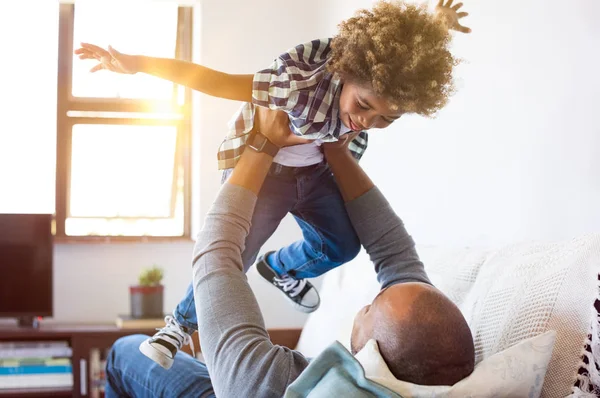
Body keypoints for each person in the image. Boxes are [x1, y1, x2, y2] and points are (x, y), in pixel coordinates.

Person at [75, 0, 471, 369]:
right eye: (364, 106)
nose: (368, 122)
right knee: (235, 256)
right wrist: (138, 64)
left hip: (315, 174)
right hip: (268, 172)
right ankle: (178, 326)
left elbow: (400, 53)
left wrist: (435, 25)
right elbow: (212, 80)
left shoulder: (380, 84)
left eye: (387, 118)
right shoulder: (295, 85)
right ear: (345, 74)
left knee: (343, 245)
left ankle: (281, 268)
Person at [105, 107, 475, 397]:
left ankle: (184, 321)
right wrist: (332, 142)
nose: (367, 303)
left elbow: (216, 256)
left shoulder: (266, 384)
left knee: (125, 352)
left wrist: (262, 144)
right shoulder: (426, 374)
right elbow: (393, 251)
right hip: (312, 167)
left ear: (370, 353)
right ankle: (280, 266)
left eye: (369, 309)